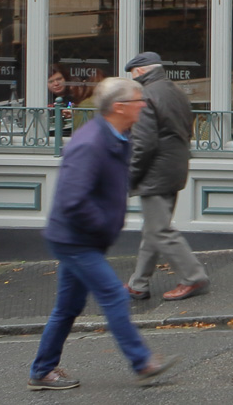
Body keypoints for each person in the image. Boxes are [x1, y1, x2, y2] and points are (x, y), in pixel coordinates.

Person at [27, 77, 181, 391]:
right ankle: (142, 363)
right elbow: (72, 200)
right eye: (139, 100)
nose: (144, 104)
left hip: (82, 237)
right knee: (113, 295)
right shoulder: (90, 143)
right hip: (75, 239)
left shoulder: (115, 135)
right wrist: (101, 225)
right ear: (120, 107)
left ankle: (42, 371)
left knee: (68, 307)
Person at [122, 52, 207, 302]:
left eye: (133, 76)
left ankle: (194, 277)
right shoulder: (175, 91)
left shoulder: (146, 96)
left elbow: (143, 144)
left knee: (159, 230)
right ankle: (138, 283)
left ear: (139, 72)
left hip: (155, 171)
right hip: (174, 166)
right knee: (153, 229)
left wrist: (130, 176)